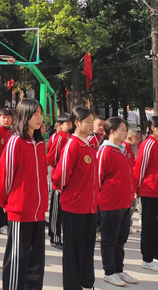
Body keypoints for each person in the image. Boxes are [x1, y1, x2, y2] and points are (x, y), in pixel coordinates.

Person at [0, 99, 48, 290]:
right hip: (20, 210)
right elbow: (4, 177)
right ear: (25, 116)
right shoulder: (16, 141)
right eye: (35, 114)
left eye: (41, 114)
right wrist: (9, 203)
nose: (39, 118)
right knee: (18, 259)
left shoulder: (39, 143)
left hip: (38, 211)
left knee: (36, 261)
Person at [52, 106, 98, 290]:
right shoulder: (72, 145)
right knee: (73, 251)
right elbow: (60, 176)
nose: (91, 125)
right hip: (75, 206)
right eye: (88, 122)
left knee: (87, 248)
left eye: (92, 121)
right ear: (77, 123)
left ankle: (86, 283)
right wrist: (71, 194)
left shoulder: (90, 144)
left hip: (90, 206)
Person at [97, 116, 137, 288]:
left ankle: (119, 269)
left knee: (121, 239)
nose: (126, 133)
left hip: (125, 203)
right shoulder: (105, 151)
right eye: (123, 129)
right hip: (111, 203)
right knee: (109, 239)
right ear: (112, 131)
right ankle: (109, 272)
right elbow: (97, 178)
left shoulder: (122, 149)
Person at [135, 115, 158, 273]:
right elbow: (140, 168)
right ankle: (147, 259)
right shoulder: (148, 144)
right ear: (153, 128)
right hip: (150, 191)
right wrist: (136, 189)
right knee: (151, 226)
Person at [47, 112, 73, 249]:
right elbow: (52, 158)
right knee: (56, 210)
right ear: (60, 125)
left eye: (70, 122)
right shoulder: (59, 139)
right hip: (59, 178)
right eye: (67, 123)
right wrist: (59, 171)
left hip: (69, 179)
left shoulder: (71, 138)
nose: (69, 125)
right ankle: (54, 237)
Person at [0, 107, 13, 234]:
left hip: (9, 169)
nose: (6, 120)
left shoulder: (11, 133)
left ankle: (6, 221)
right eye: (3, 117)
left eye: (8, 118)